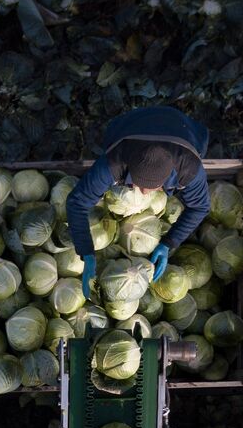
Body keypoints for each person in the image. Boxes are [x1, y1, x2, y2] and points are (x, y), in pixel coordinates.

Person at [65, 106, 211, 299]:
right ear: (129, 168)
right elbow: (77, 202)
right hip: (132, 125)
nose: (143, 193)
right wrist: (87, 252)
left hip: (182, 129)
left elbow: (200, 207)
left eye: (153, 188)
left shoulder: (189, 169)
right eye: (137, 184)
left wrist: (169, 242)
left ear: (169, 177)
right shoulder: (115, 161)